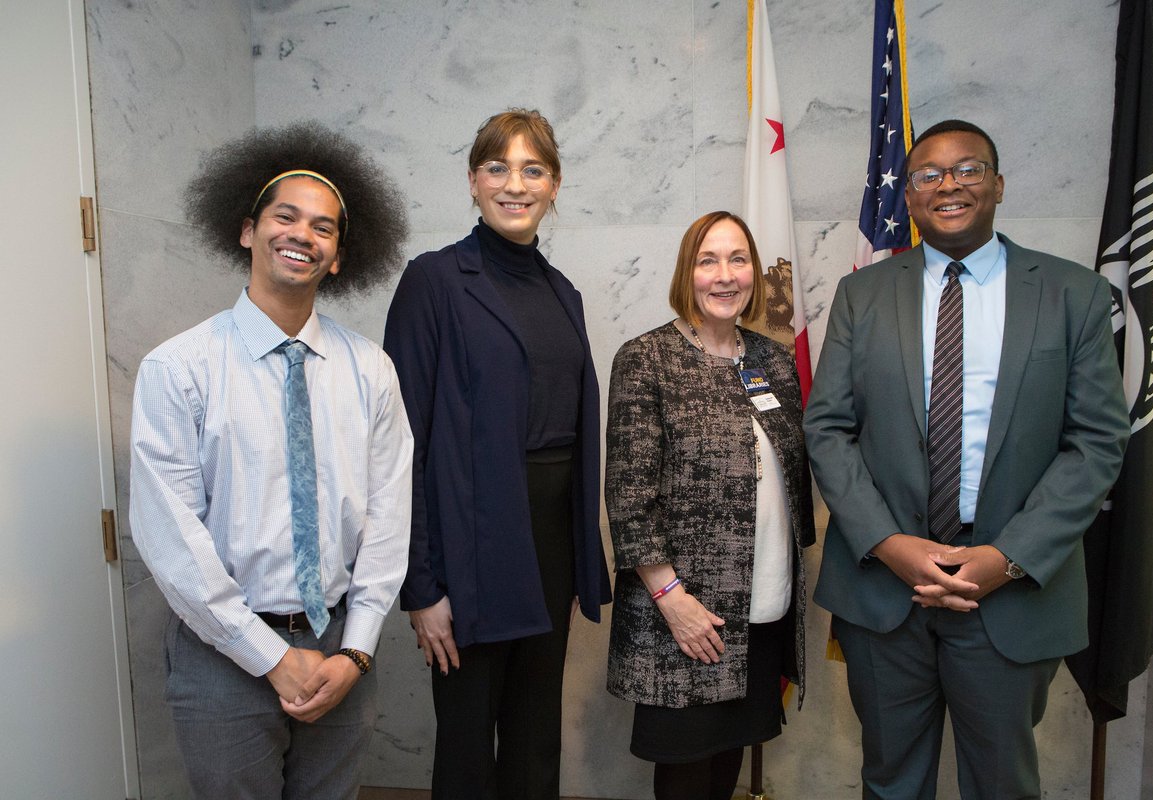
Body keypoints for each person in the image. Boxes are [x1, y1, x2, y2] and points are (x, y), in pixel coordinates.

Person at [804, 119, 1130, 799]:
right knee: (890, 781)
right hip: (884, 593)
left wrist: (1005, 559)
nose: (948, 184)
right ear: (911, 198)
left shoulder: (1074, 295)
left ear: (998, 184)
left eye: (968, 169)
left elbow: (1097, 442)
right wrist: (890, 545)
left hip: (1012, 596)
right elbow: (829, 428)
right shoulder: (863, 295)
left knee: (1003, 785)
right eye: (929, 174)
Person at [129, 121, 413, 799]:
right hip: (221, 654)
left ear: (340, 256)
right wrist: (268, 657)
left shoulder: (371, 370)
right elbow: (171, 535)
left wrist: (357, 650)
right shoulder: (179, 368)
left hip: (341, 645)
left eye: (323, 227)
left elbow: (389, 517)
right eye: (285, 216)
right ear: (248, 231)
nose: (302, 235)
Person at [382, 108, 611, 800]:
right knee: (467, 749)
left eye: (533, 169)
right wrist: (422, 587)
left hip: (549, 552)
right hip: (471, 552)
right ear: (474, 181)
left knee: (537, 737)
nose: (516, 184)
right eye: (498, 167)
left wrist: (576, 558)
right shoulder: (435, 282)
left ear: (556, 184)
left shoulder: (561, 292)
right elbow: (399, 449)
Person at [606, 211, 815, 800]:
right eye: (708, 260)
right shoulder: (648, 358)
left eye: (739, 259)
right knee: (687, 775)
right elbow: (629, 496)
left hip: (764, 605)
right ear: (687, 273)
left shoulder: (772, 362)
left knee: (724, 769)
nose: (725, 276)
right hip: (688, 616)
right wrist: (673, 600)